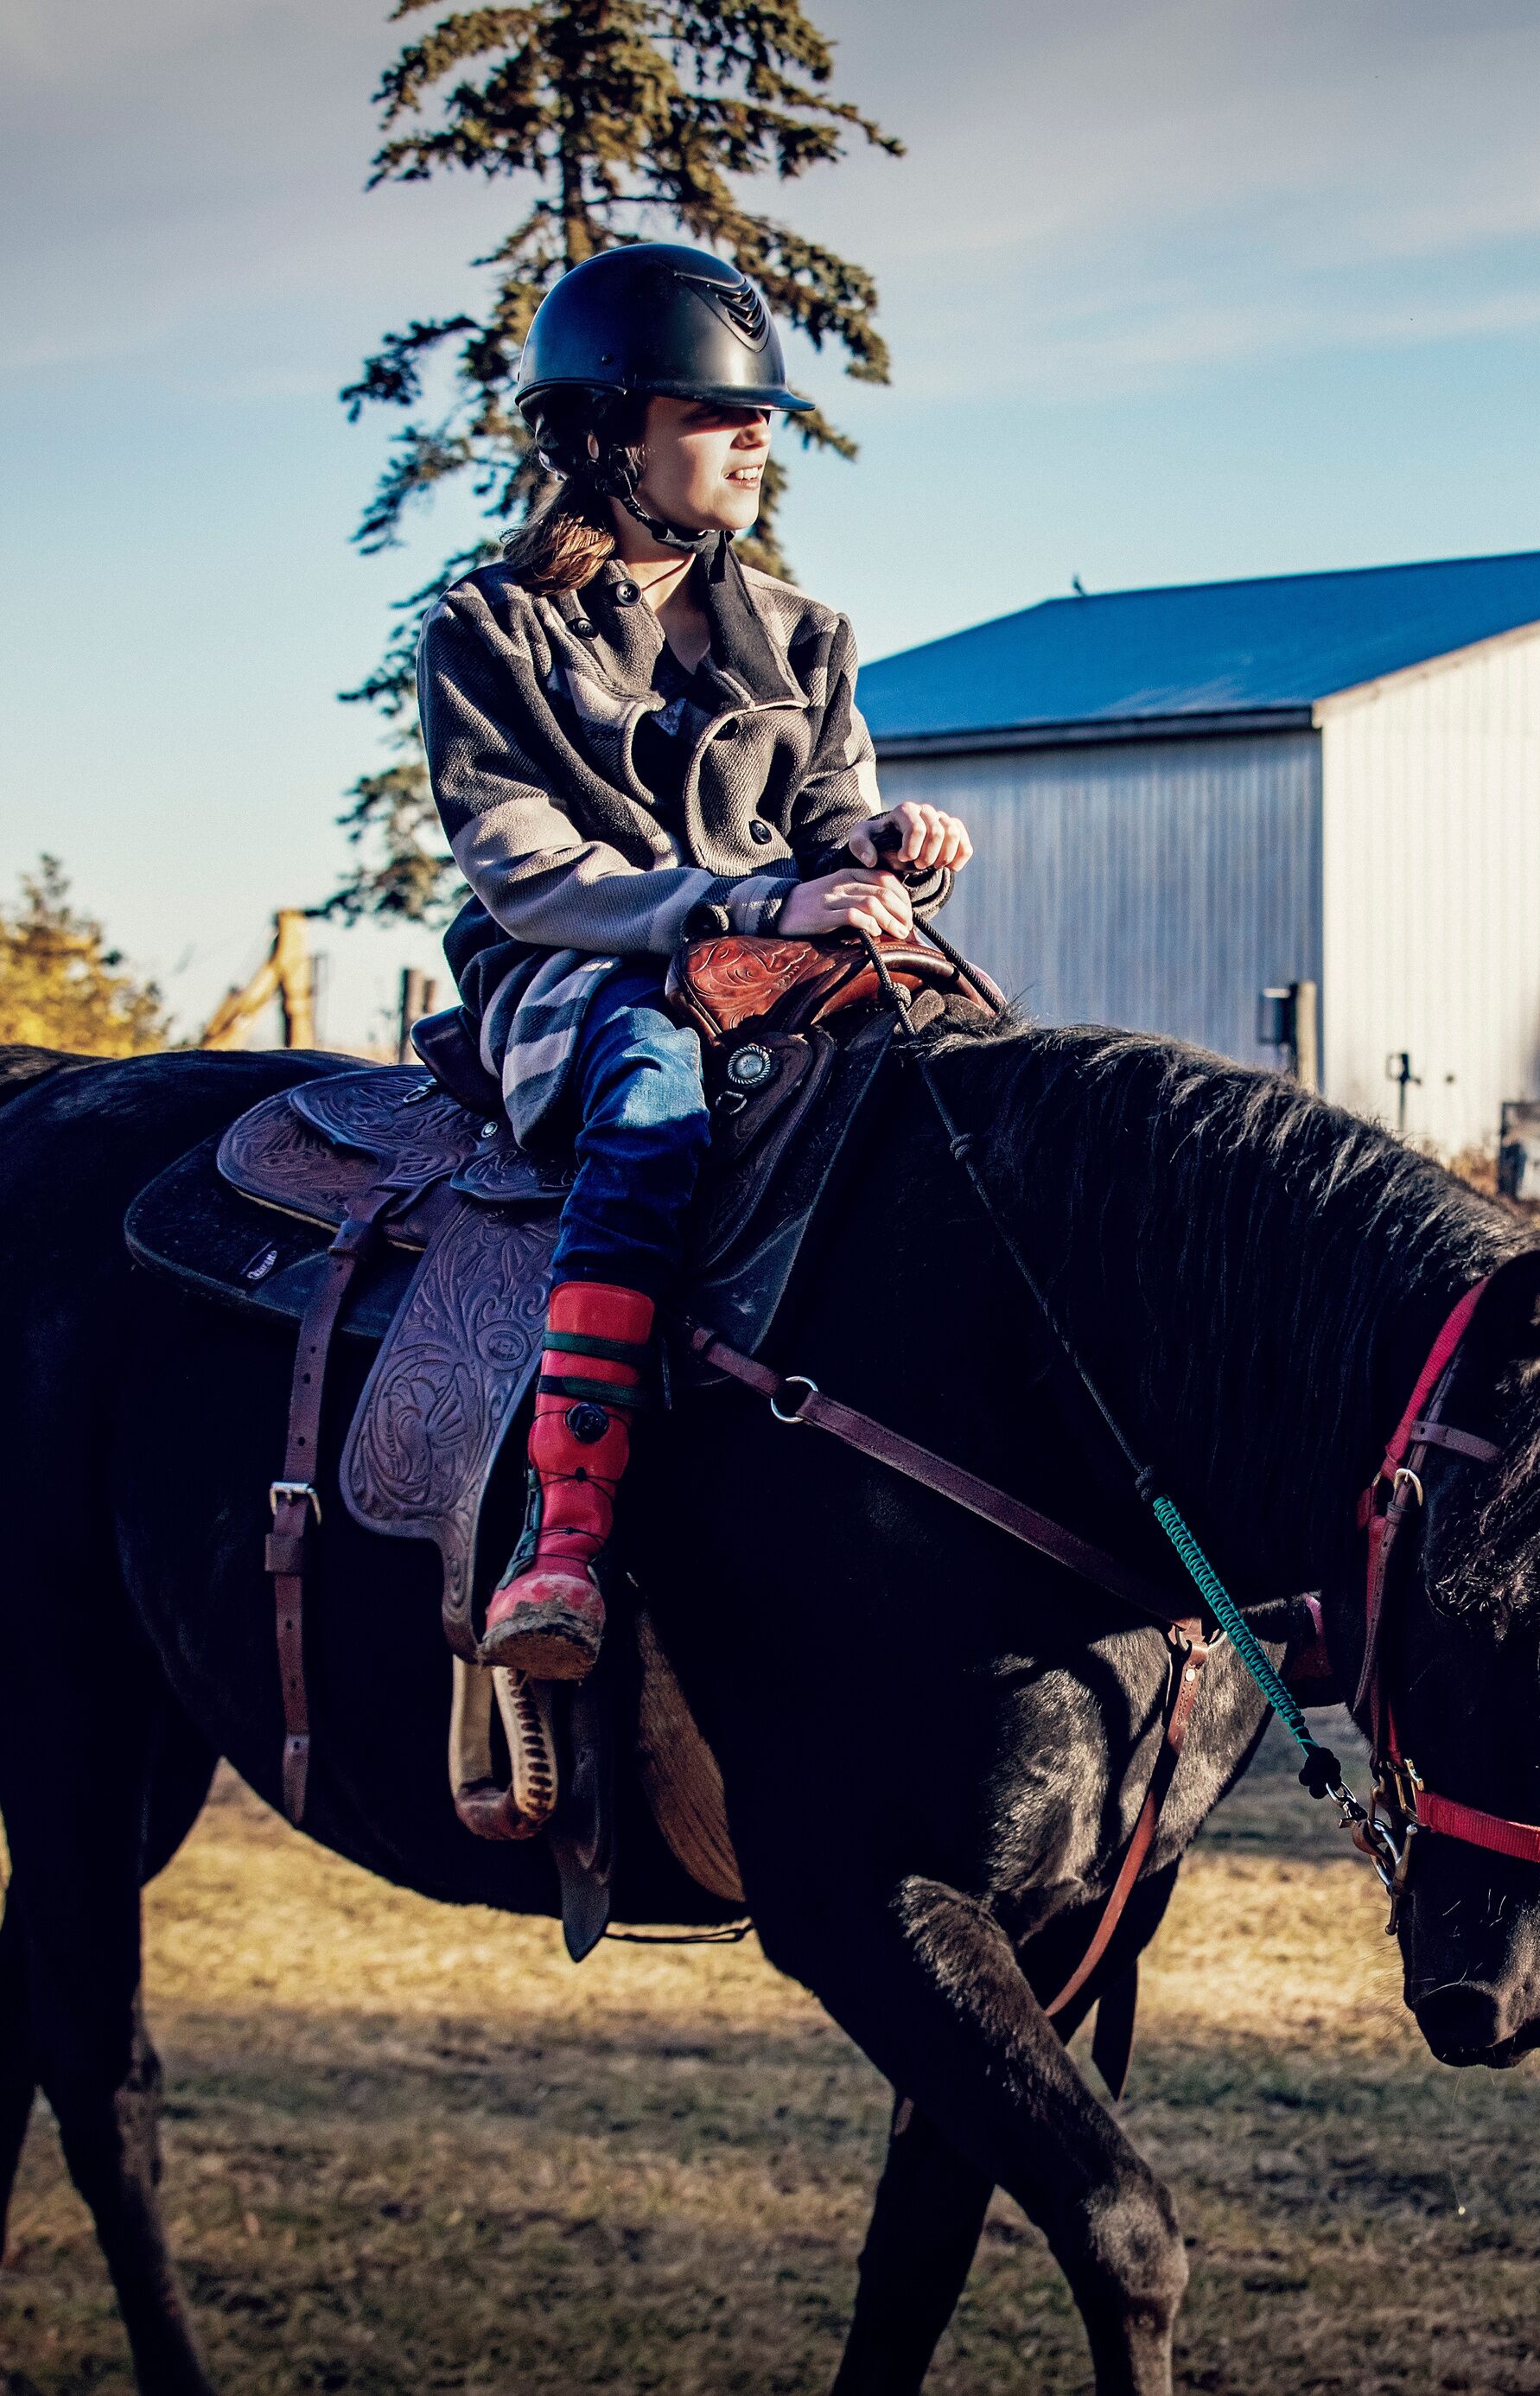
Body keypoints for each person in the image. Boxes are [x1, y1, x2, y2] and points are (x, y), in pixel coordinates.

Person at [416, 240, 972, 1684]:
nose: (755, 445)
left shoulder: (807, 633)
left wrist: (883, 837)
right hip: (576, 973)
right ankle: (569, 1531)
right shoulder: (491, 630)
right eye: (718, 416)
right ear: (610, 435)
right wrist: (733, 912)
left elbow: (829, 806)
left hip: (782, 961)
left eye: (764, 420)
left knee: (978, 1074)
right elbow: (523, 863)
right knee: (656, 1086)